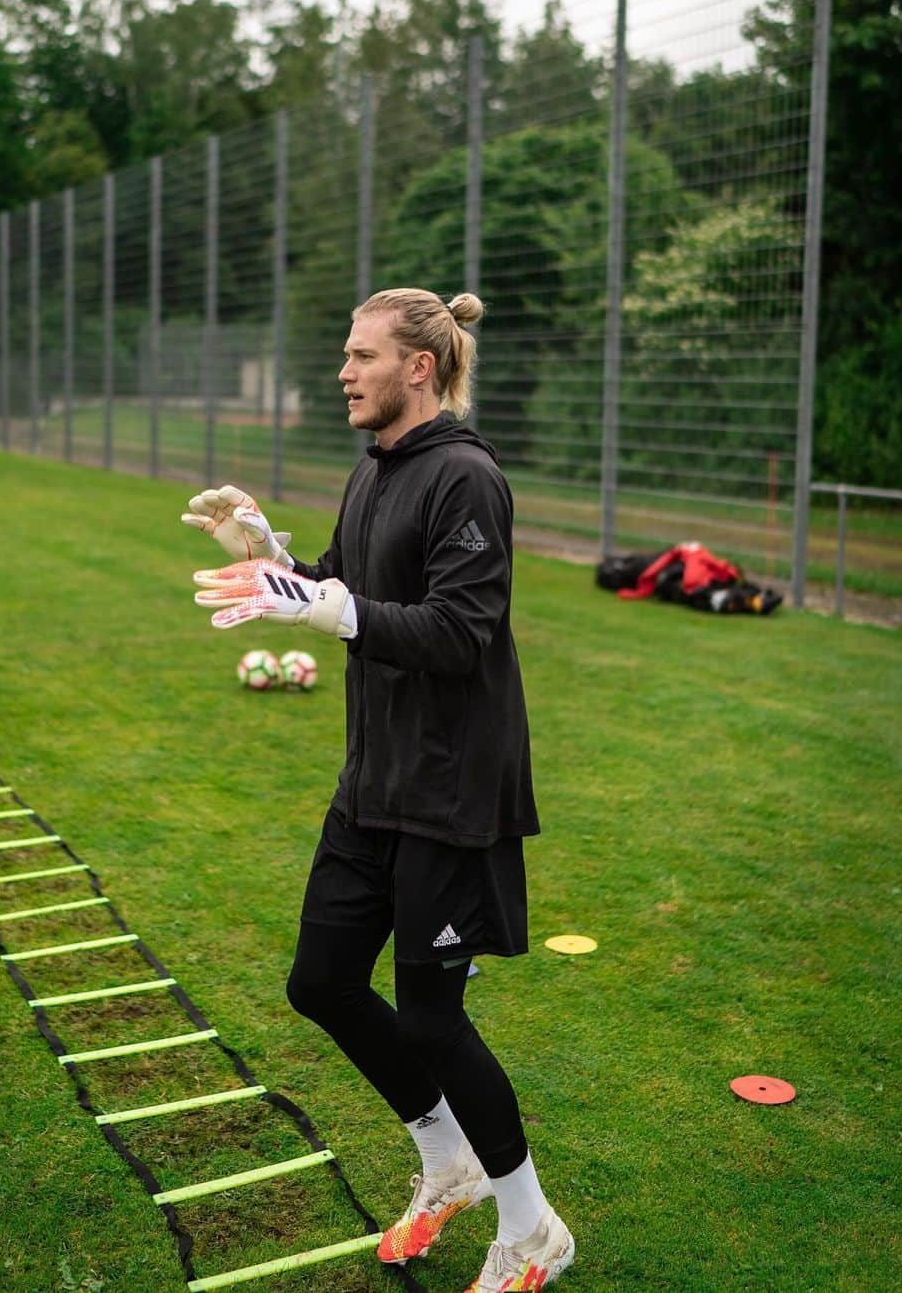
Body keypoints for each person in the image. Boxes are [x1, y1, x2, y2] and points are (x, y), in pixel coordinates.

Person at [182, 288, 574, 1292]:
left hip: (451, 792)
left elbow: (454, 631)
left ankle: (531, 1229)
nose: (345, 372)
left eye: (361, 355)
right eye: (345, 353)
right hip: (375, 781)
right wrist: (267, 556)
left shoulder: (466, 479)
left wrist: (333, 605)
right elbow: (340, 590)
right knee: (320, 982)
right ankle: (448, 1162)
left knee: (435, 1020)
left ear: (421, 369)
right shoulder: (375, 471)